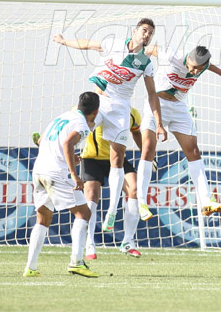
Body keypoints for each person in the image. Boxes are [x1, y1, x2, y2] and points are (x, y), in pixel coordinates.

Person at [53, 18, 166, 233]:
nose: (147, 34)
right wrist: (64, 41)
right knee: (74, 133)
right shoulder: (113, 43)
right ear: (134, 31)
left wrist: (159, 123)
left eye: (150, 32)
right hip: (100, 102)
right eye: (144, 30)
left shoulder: (146, 63)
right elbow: (88, 44)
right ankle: (57, 165)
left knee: (117, 159)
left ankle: (112, 211)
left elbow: (152, 94)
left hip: (121, 108)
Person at [136, 45, 221, 220]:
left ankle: (206, 201)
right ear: (188, 58)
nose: (193, 71)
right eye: (192, 66)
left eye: (198, 69)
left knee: (193, 151)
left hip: (179, 107)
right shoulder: (171, 56)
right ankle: (141, 202)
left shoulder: (203, 66)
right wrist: (139, 63)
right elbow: (150, 49)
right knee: (147, 148)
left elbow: (209, 66)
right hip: (157, 103)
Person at [32, 108, 145, 259]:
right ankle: (90, 243)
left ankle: (128, 241)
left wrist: (147, 156)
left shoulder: (131, 113)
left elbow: (136, 133)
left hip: (117, 158)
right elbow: (66, 127)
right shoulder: (92, 110)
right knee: (91, 195)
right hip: (92, 158)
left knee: (135, 189)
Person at [24, 92, 101, 278]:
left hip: (39, 170)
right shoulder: (82, 125)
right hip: (56, 172)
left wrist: (69, 157)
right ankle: (76, 262)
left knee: (43, 219)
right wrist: (75, 175)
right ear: (96, 112)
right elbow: (68, 143)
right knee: (83, 213)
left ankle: (30, 268)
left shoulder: (62, 116)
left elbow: (41, 140)